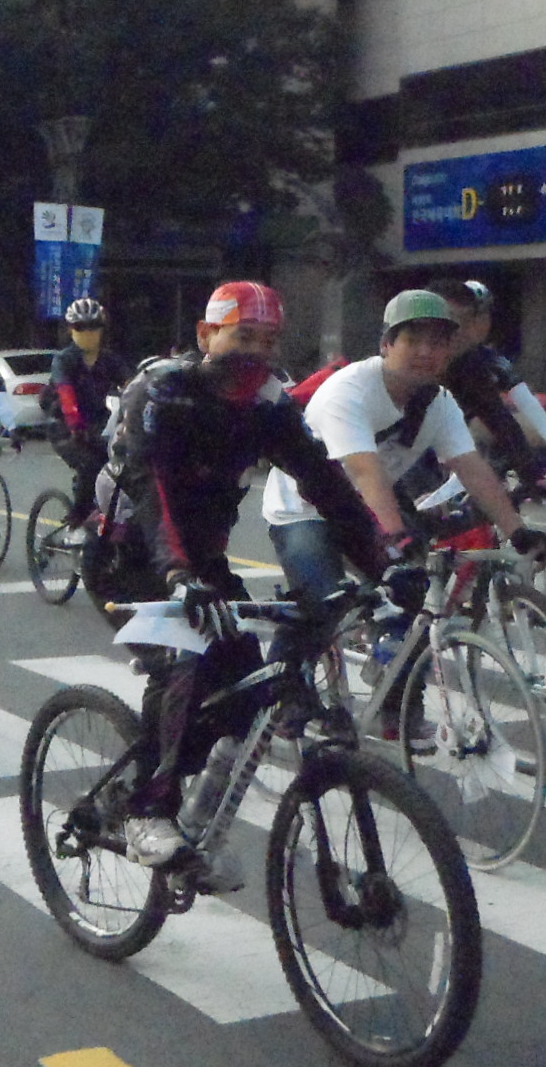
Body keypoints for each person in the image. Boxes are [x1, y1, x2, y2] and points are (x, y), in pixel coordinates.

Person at [102, 281, 401, 879]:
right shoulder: (159, 392)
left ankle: (194, 828)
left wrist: (386, 566)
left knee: (244, 695)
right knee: (187, 659)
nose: (256, 353)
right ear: (205, 335)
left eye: (268, 341)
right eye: (243, 337)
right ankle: (145, 811)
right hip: (131, 559)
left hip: (202, 566)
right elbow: (151, 492)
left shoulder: (268, 405)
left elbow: (327, 486)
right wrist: (178, 574)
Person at [264, 289, 546, 607]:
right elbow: (365, 473)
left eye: (437, 343)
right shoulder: (349, 391)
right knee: (326, 608)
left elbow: (473, 470)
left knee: (409, 603)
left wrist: (518, 533)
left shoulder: (439, 403)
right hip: (305, 512)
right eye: (412, 341)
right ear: (386, 344)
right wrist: (398, 539)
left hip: (366, 510)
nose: (425, 352)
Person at [430, 279, 546, 486]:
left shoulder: (473, 366)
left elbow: (502, 420)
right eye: (450, 322)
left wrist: (534, 475)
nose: (459, 333)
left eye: (469, 321)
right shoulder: (408, 371)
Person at [48, 297, 128, 523]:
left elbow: (132, 386)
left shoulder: (109, 360)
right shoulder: (64, 360)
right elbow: (66, 393)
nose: (88, 332)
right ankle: (77, 518)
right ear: (71, 329)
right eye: (80, 327)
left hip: (98, 423)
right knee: (90, 465)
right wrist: (75, 424)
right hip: (65, 427)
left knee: (122, 466)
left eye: (94, 326)